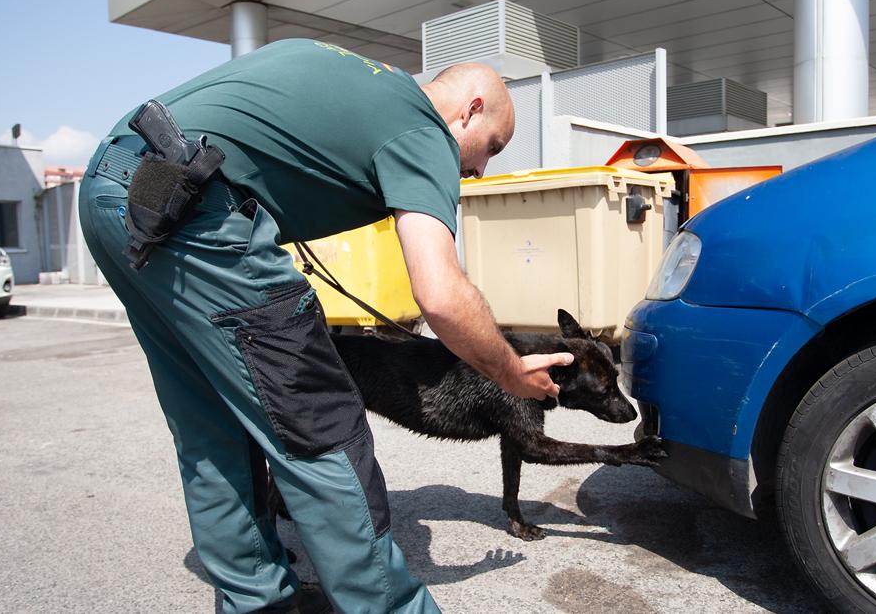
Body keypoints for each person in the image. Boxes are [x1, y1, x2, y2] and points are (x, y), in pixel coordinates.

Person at [77, 38, 573, 614]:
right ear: (471, 108)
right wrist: (511, 372)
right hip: (196, 207)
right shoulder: (421, 128)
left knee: (211, 422)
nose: (481, 168)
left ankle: (258, 601)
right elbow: (441, 296)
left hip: (116, 192)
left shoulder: (360, 79)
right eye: (490, 146)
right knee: (318, 421)